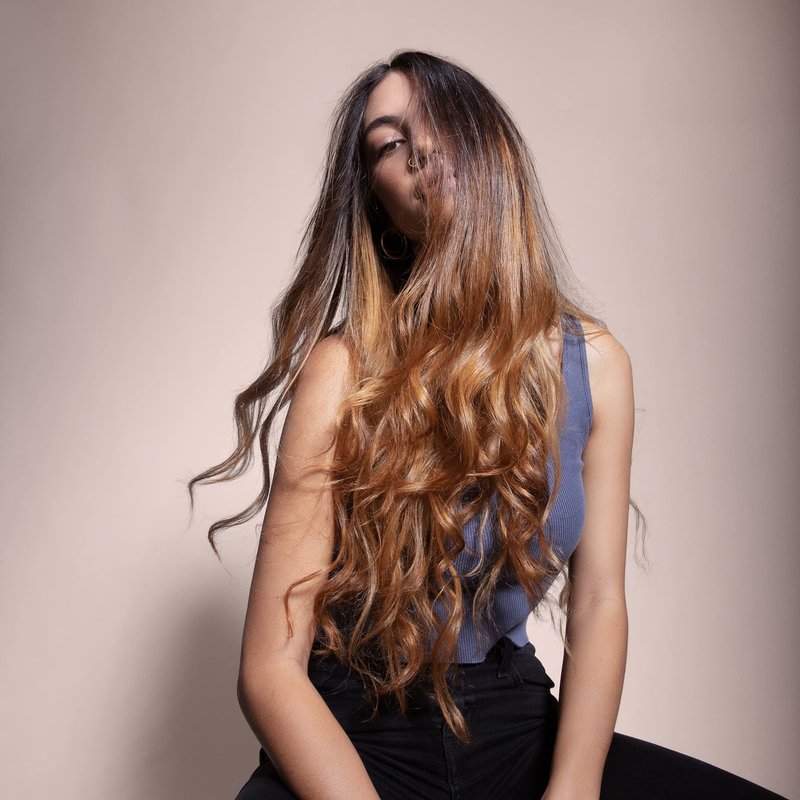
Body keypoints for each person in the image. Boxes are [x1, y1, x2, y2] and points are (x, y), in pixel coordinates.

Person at [189, 51, 786, 800]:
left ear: (492, 145)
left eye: (438, 122)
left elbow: (598, 603)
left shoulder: (598, 366)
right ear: (380, 205)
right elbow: (270, 668)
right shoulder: (341, 370)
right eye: (388, 143)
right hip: (350, 738)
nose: (420, 148)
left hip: (516, 727)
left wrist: (572, 787)